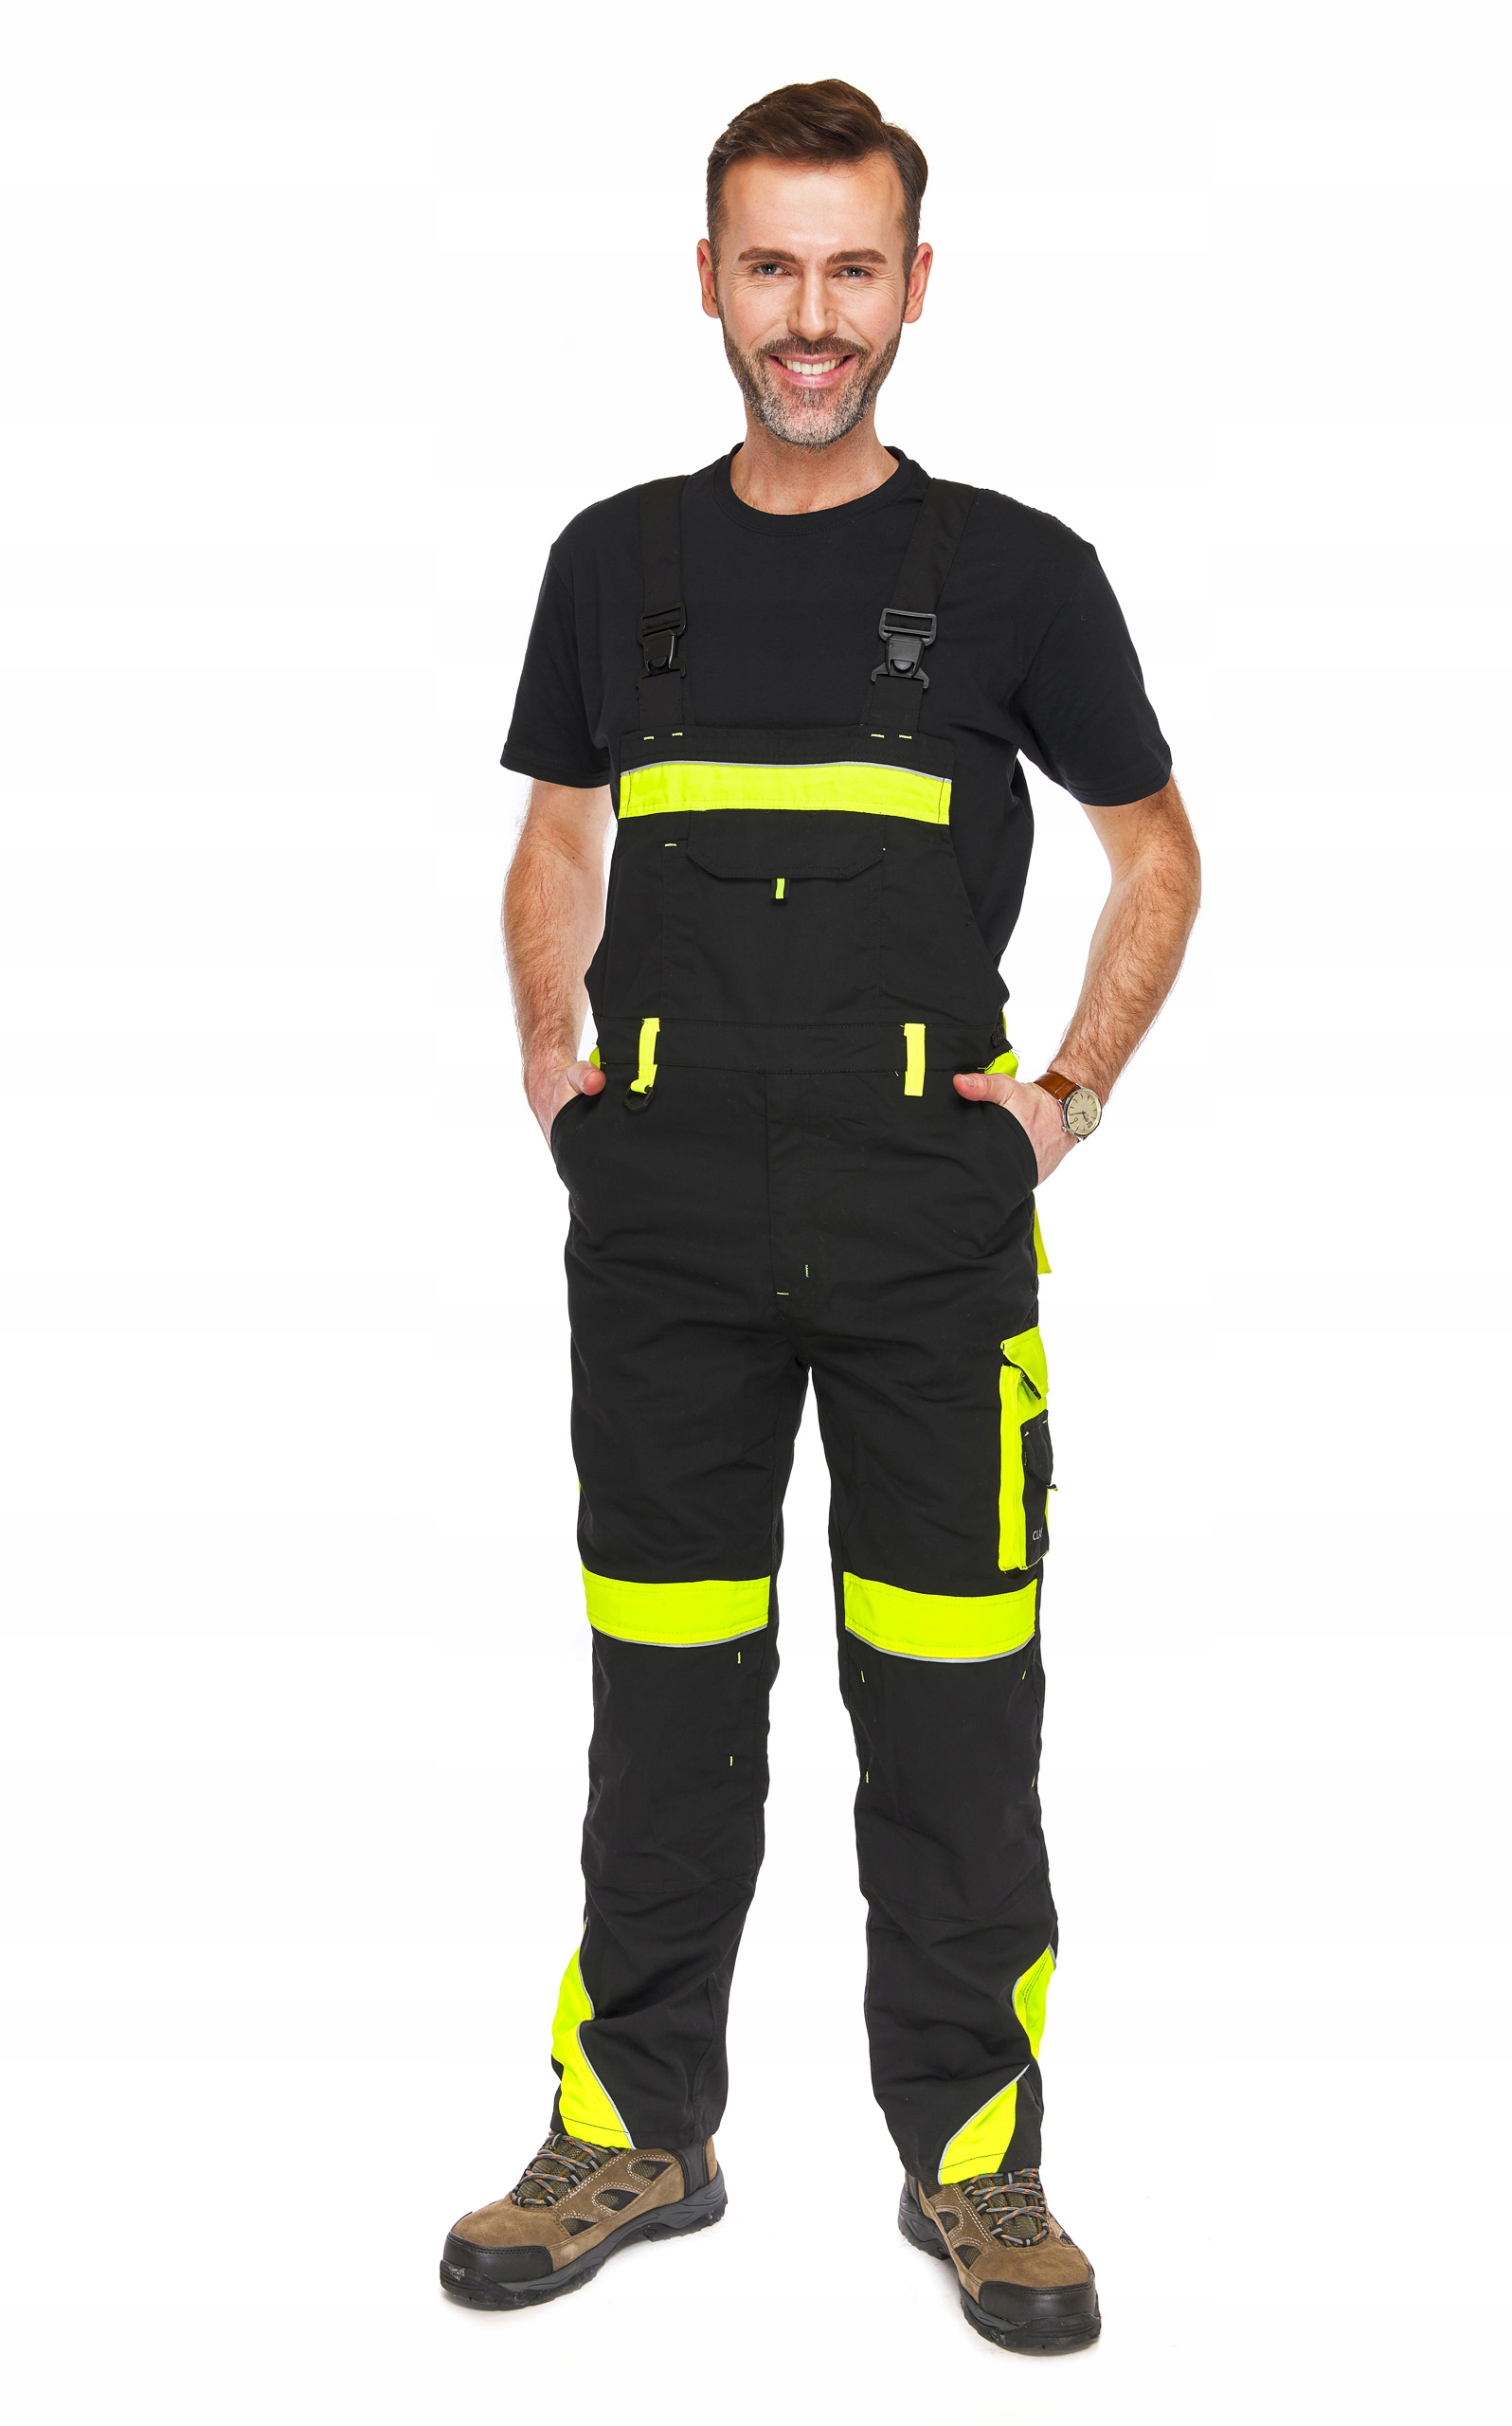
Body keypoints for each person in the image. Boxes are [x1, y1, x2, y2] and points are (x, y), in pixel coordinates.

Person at [440, 80, 1200, 2357]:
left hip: (923, 1228)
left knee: (952, 1700)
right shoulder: (612, 564)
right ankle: (629, 2129)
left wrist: (1063, 1099)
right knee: (664, 1690)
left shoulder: (1019, 573)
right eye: (767, 266)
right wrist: (552, 1065)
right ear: (706, 277)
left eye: (848, 269)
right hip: (661, 1220)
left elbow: (1156, 853)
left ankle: (974, 2165)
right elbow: (556, 833)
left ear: (911, 286)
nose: (807, 315)